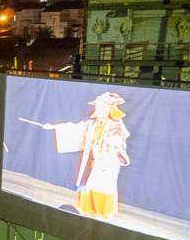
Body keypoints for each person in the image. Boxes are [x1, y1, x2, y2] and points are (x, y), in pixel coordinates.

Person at [37, 91, 131, 221]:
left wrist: (114, 143)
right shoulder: (92, 124)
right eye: (98, 107)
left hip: (109, 159)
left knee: (106, 185)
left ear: (110, 109)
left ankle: (106, 211)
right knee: (90, 183)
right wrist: (55, 126)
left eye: (103, 107)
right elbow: (76, 127)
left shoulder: (115, 125)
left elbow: (118, 135)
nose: (99, 109)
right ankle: (89, 208)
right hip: (94, 159)